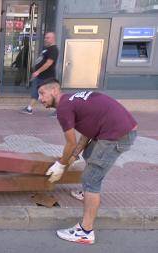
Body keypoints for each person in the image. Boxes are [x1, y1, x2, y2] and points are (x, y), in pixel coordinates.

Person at [38, 79, 137, 244]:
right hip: (116, 128)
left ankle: (85, 231)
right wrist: (75, 155)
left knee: (91, 179)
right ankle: (90, 193)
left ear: (55, 90)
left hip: (116, 134)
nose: (40, 98)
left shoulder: (63, 108)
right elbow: (87, 131)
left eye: (42, 93)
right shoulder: (72, 99)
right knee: (90, 153)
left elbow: (70, 142)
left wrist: (61, 165)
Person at [20, 32, 58, 115]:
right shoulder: (46, 49)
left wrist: (38, 71)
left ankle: (59, 109)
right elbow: (41, 60)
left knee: (51, 94)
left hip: (47, 77)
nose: (45, 39)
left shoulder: (54, 50)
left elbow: (49, 63)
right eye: (45, 37)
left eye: (48, 38)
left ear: (53, 38)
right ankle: (29, 108)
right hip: (40, 76)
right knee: (35, 92)